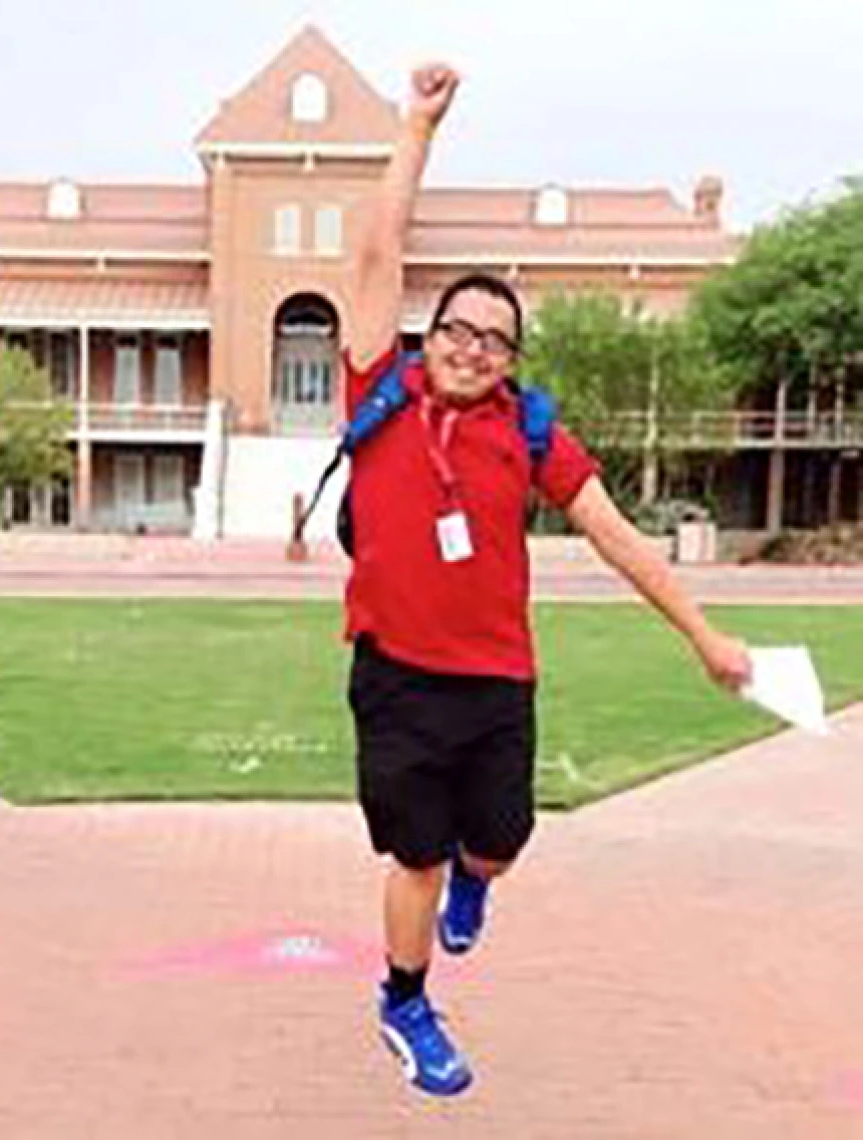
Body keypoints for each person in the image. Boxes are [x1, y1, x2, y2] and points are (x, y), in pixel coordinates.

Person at [344, 63, 753, 1098]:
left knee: (500, 843)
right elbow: (378, 247)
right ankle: (406, 1003)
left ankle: (475, 889)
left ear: (512, 359)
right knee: (417, 857)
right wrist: (417, 129)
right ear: (426, 336)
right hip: (396, 678)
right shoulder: (377, 386)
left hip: (497, 684)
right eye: (456, 330)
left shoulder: (528, 433)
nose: (472, 349)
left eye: (496, 340)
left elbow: (619, 536)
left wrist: (704, 637)